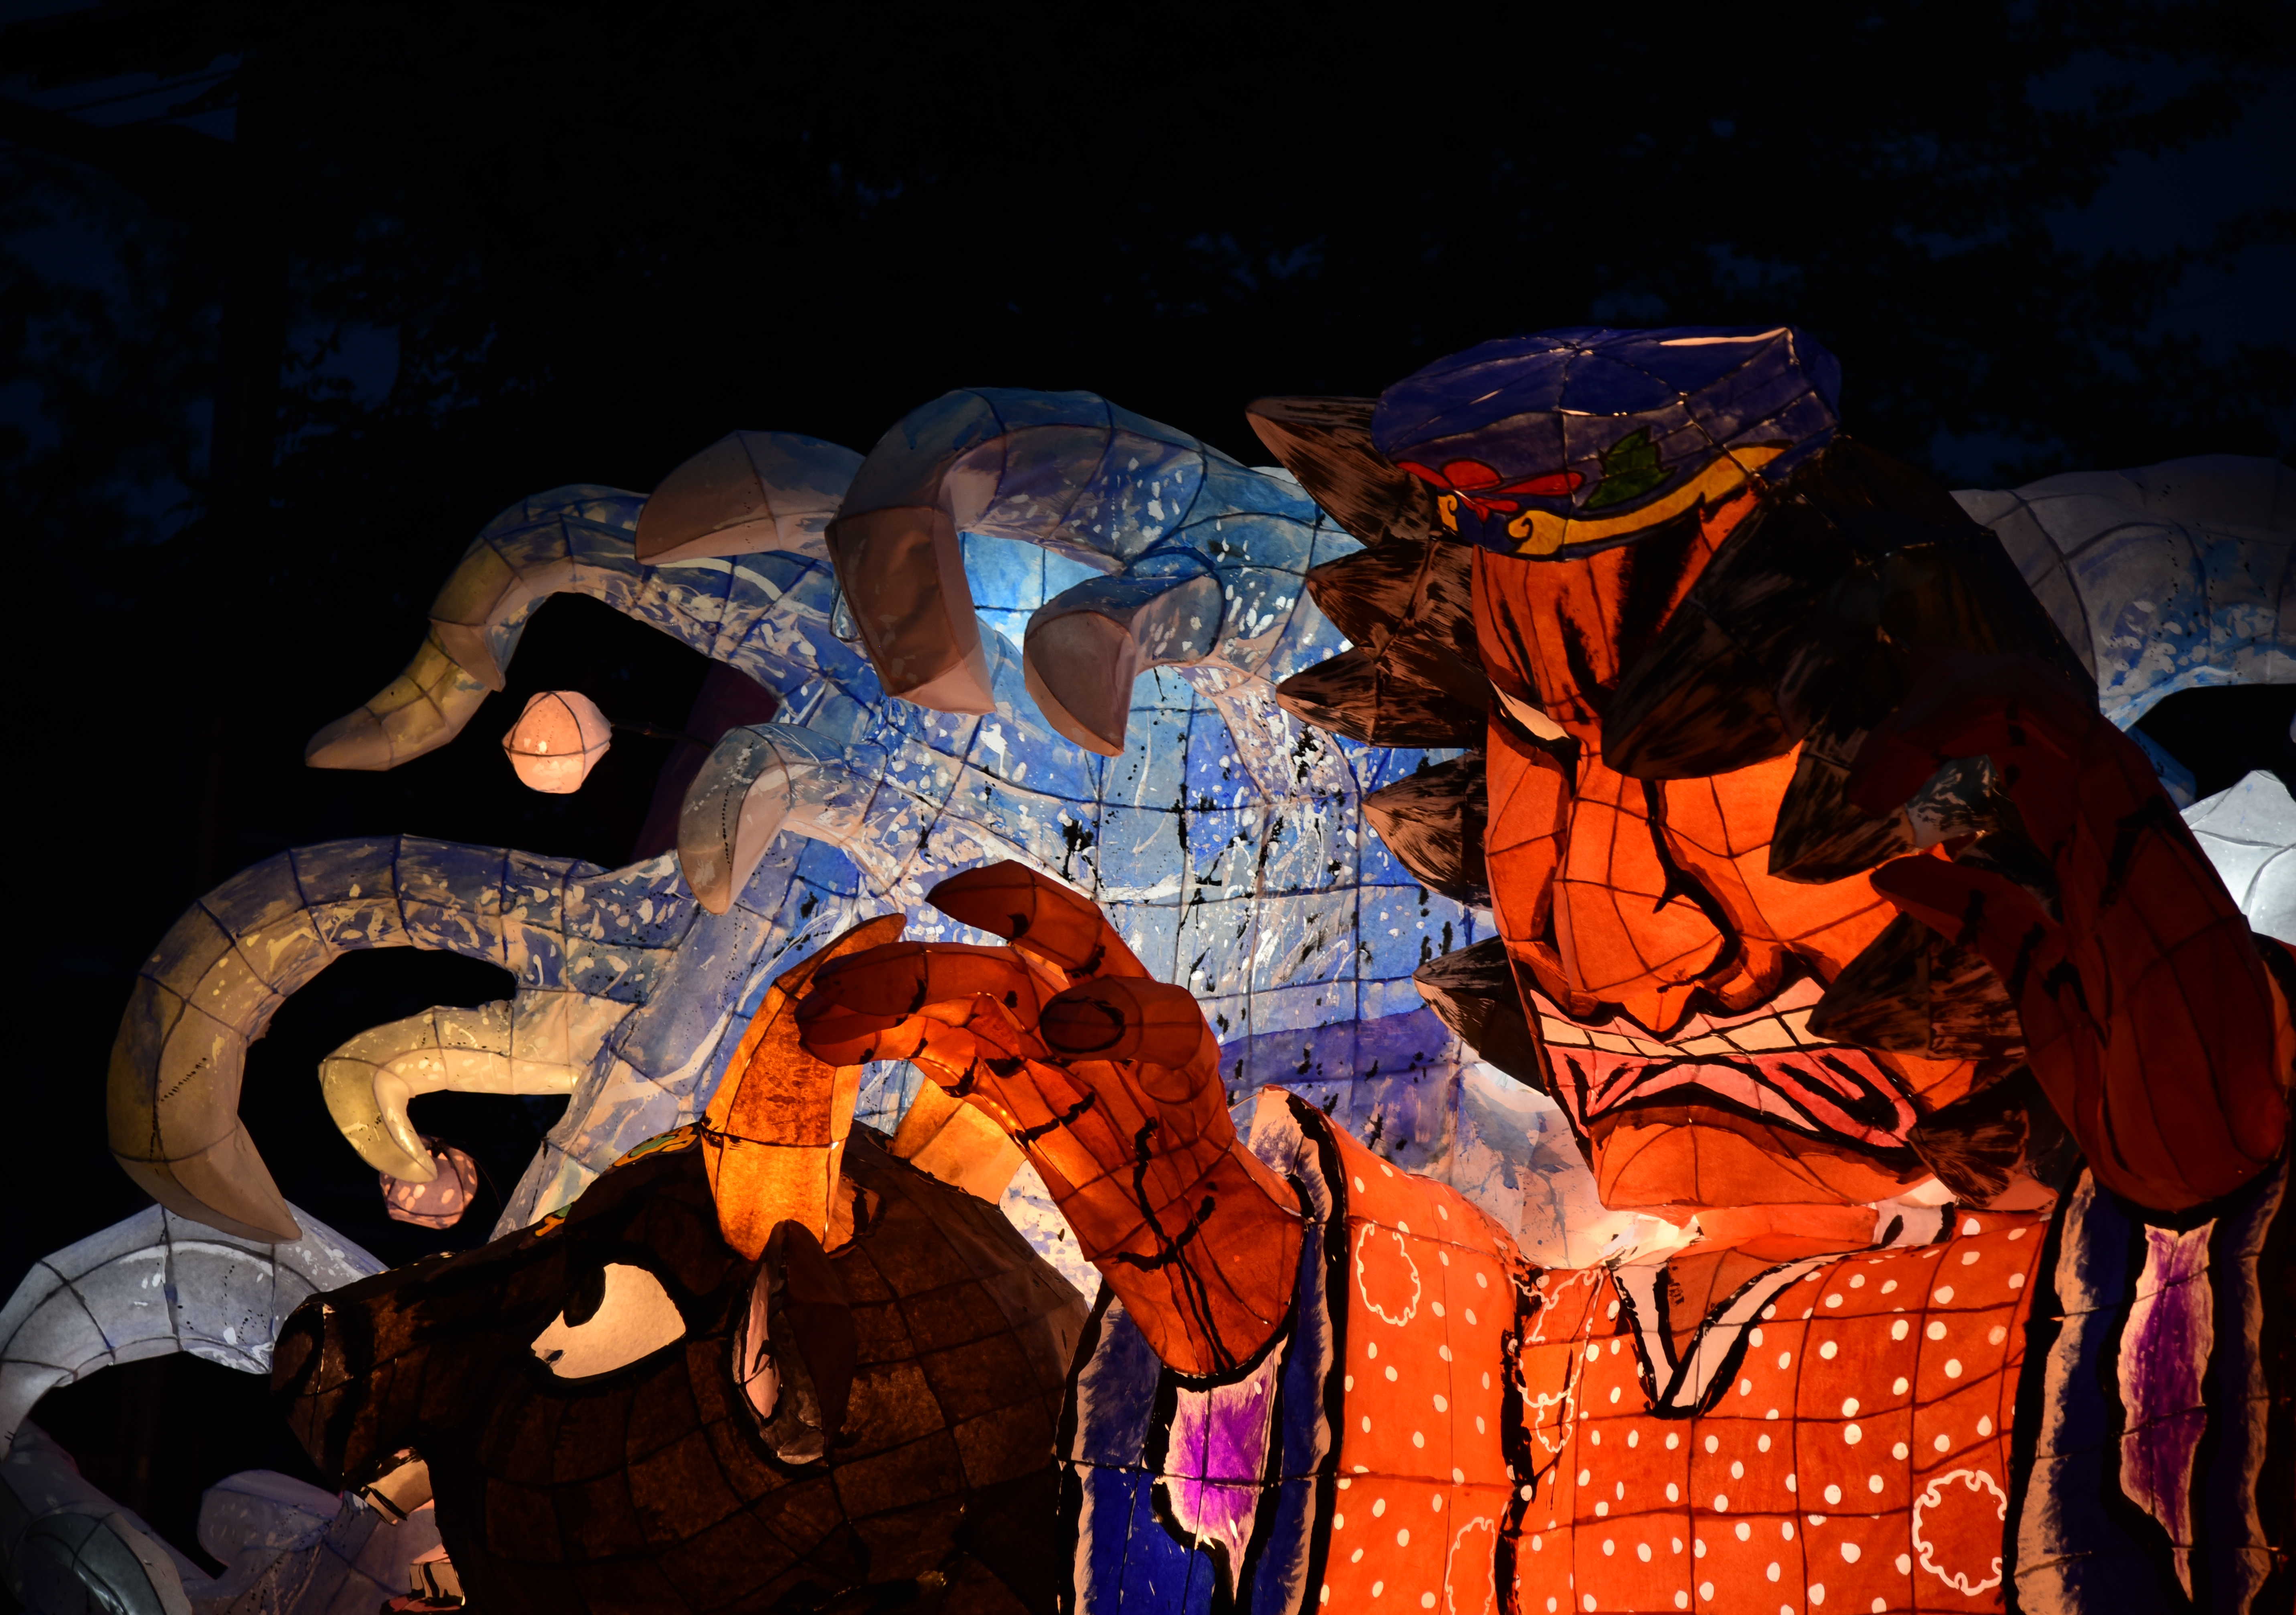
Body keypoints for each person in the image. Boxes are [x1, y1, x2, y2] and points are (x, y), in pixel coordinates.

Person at [793, 328, 2293, 1615]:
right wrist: (1216, 1286)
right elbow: (1399, 1493)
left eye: (1703, 786)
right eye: (1543, 753)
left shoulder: (2059, 1318)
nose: (1635, 954)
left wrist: (2209, 1243)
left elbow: (2179, 1490)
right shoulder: (1534, 1354)